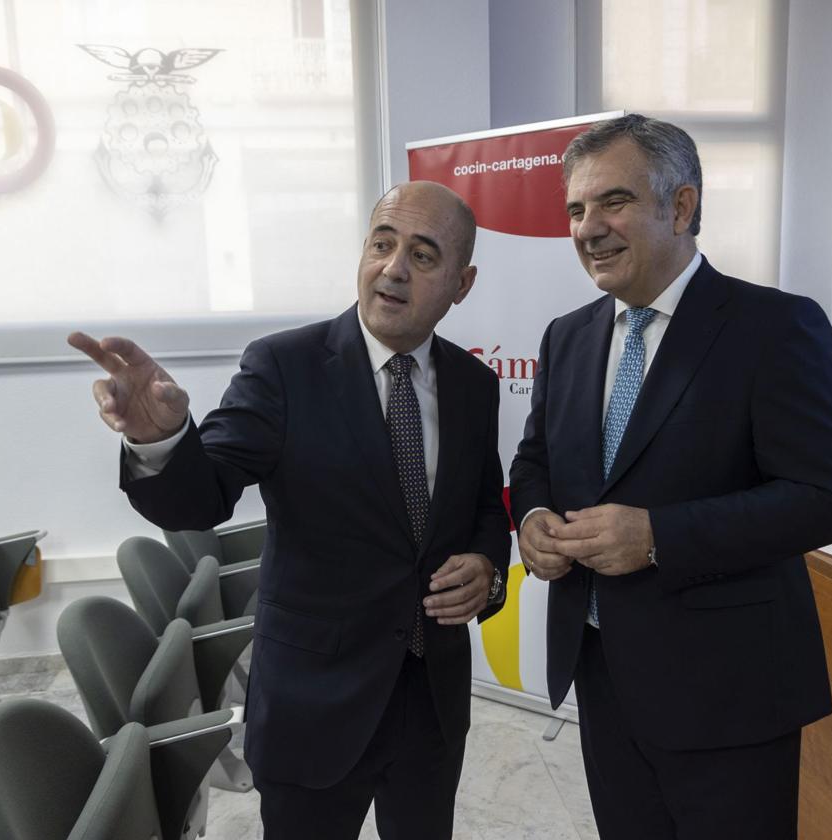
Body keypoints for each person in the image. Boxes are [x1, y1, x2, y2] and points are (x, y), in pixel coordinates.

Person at [69, 181, 510, 840]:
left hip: (430, 703)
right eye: (382, 245)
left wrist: (487, 566)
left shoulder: (474, 385)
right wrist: (160, 440)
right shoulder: (285, 366)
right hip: (315, 705)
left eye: (422, 255)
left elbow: (482, 509)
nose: (393, 268)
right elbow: (203, 495)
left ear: (461, 282)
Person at [509, 114, 832, 839]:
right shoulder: (568, 335)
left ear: (682, 206)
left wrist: (659, 535)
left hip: (728, 689)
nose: (587, 228)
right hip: (603, 671)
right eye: (575, 209)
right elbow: (536, 458)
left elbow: (830, 498)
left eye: (612, 202)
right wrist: (534, 519)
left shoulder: (775, 327)